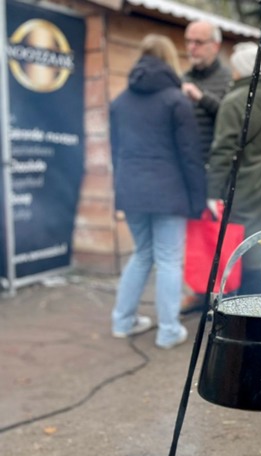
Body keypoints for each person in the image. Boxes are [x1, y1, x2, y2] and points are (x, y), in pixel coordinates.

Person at [110, 34, 206, 349]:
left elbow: (115, 151)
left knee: (142, 254)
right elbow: (190, 155)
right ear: (169, 59)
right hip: (168, 192)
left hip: (131, 190)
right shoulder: (176, 100)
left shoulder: (120, 101)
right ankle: (168, 331)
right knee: (167, 259)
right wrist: (198, 199)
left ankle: (122, 321)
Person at [207, 42, 261, 296]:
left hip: (238, 193)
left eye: (235, 67)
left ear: (242, 69)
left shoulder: (234, 101)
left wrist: (212, 193)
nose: (232, 72)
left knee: (234, 260)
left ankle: (238, 315)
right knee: (254, 258)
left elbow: (223, 151)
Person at [182, 20, 232, 165]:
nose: (191, 47)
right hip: (186, 166)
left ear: (215, 46)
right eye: (188, 41)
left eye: (198, 42)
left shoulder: (229, 81)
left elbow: (234, 122)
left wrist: (202, 99)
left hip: (216, 167)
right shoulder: (182, 79)